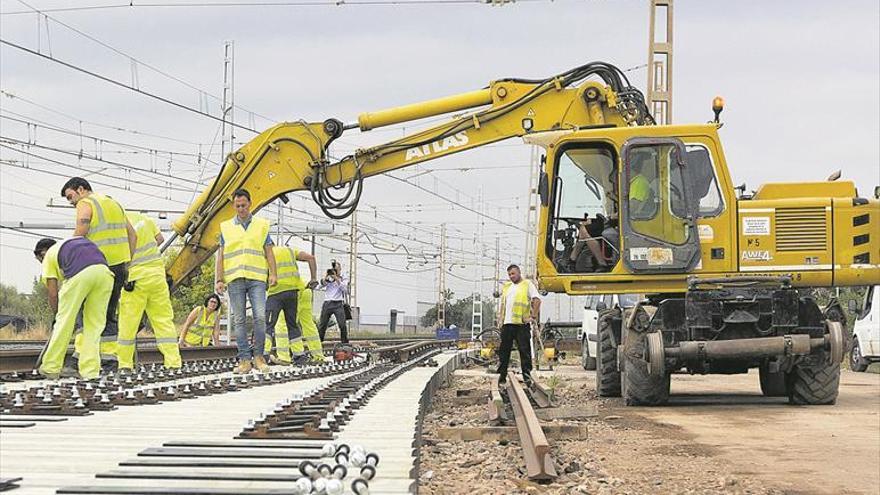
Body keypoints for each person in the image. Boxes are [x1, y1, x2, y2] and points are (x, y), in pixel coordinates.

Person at [61, 177, 137, 363]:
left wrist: (70, 252)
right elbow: (132, 235)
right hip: (118, 267)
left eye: (71, 197)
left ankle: (81, 356)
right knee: (109, 314)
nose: (71, 202)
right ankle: (110, 358)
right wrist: (128, 262)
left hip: (94, 266)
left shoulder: (85, 202)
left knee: (85, 311)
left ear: (81, 189)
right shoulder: (114, 203)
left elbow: (83, 224)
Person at [215, 188, 277, 374]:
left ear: (250, 203)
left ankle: (258, 357)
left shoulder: (261, 225)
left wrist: (273, 274)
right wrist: (219, 279)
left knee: (259, 317)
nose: (240, 208)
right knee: (239, 319)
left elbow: (269, 251)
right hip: (235, 279)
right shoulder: (226, 227)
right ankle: (244, 360)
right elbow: (221, 255)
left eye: (243, 205)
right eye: (237, 206)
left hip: (257, 278)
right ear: (234, 206)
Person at [34, 237, 114, 379]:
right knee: (94, 326)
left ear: (42, 254)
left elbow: (53, 293)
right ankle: (90, 371)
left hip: (80, 274)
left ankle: (51, 367)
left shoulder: (49, 255)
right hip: (104, 273)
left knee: (64, 323)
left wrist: (57, 315)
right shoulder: (71, 243)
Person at [116, 212, 182, 370]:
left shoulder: (118, 223)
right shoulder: (146, 219)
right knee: (163, 321)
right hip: (157, 276)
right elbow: (160, 239)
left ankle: (125, 364)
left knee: (128, 324)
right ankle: (173, 363)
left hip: (135, 279)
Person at [264, 245, 318, 365]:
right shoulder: (290, 250)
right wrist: (313, 278)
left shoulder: (266, 254)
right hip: (292, 292)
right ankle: (299, 356)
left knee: (268, 325)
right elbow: (311, 258)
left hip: (275, 293)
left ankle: (264, 354)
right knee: (292, 325)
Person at [495, 264, 542, 385]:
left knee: (524, 351)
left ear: (519, 272)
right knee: (504, 351)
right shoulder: (507, 287)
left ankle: (527, 377)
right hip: (507, 324)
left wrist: (533, 317)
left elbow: (537, 300)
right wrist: (500, 319)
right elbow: (503, 305)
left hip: (521, 324)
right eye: (509, 274)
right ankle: (501, 376)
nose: (511, 276)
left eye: (513, 273)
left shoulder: (527, 284)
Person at [317, 260, 349, 343]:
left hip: (338, 303)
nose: (335, 271)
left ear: (340, 269)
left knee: (342, 325)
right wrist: (326, 278)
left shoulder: (343, 277)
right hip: (327, 303)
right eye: (334, 269)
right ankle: (319, 342)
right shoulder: (329, 277)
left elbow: (345, 289)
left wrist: (337, 279)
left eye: (337, 269)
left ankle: (344, 343)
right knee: (322, 325)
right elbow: (319, 286)